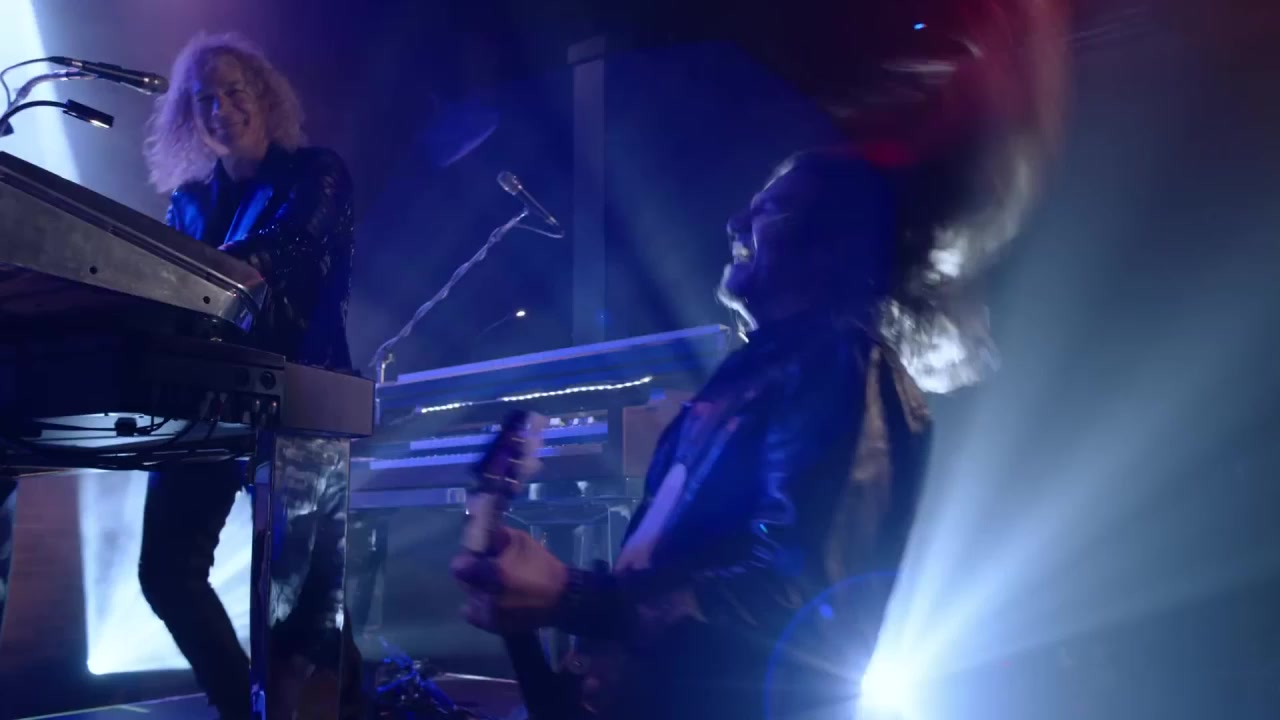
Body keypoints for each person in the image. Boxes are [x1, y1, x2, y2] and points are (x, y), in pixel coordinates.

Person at [450, 145, 1005, 720]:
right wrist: (530, 596)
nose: (735, 223)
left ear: (838, 244)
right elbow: (654, 592)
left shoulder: (846, 365)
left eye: (773, 210)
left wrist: (573, 596)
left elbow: (802, 609)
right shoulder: (742, 381)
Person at [138, 32, 361, 720]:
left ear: (263, 96)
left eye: (234, 91)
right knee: (167, 572)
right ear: (188, 115)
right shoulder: (189, 203)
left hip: (302, 391)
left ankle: (344, 707)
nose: (221, 108)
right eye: (204, 98)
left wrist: (192, 276)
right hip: (208, 399)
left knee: (304, 602)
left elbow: (292, 247)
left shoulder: (317, 173)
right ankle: (245, 709)